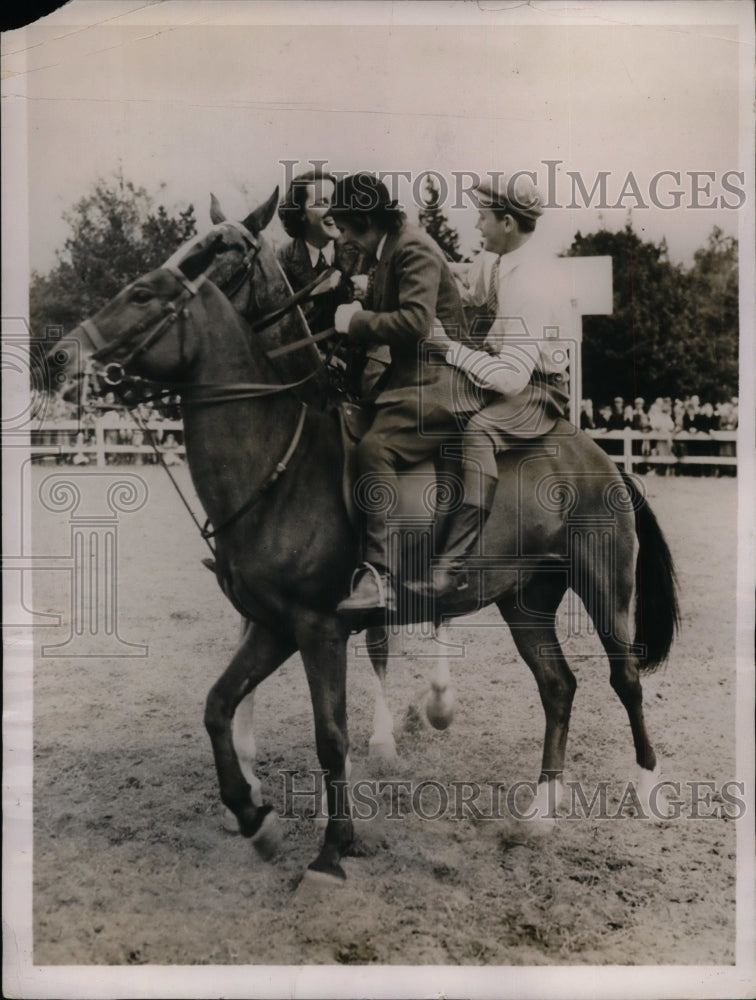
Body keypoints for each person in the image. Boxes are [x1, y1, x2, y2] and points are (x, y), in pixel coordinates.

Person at [328, 173, 479, 614]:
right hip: (411, 376)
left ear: (362, 220)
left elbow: (414, 321)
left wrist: (355, 322)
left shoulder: (412, 247)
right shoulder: (390, 248)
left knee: (376, 447)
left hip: (443, 381)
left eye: (343, 226)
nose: (342, 237)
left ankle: (379, 577)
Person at [426, 172, 571, 596]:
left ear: (507, 222)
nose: (476, 225)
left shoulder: (534, 282)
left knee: (478, 430)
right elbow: (470, 290)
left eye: (482, 217)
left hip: (538, 389)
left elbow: (511, 378)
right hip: (504, 371)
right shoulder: (498, 259)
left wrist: (447, 348)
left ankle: (454, 560)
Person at [276, 169, 365, 383]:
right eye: (322, 202)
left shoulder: (360, 247)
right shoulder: (282, 260)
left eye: (335, 200)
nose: (333, 210)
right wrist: (314, 294)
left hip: (365, 366)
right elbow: (281, 329)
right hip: (306, 370)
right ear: (300, 212)